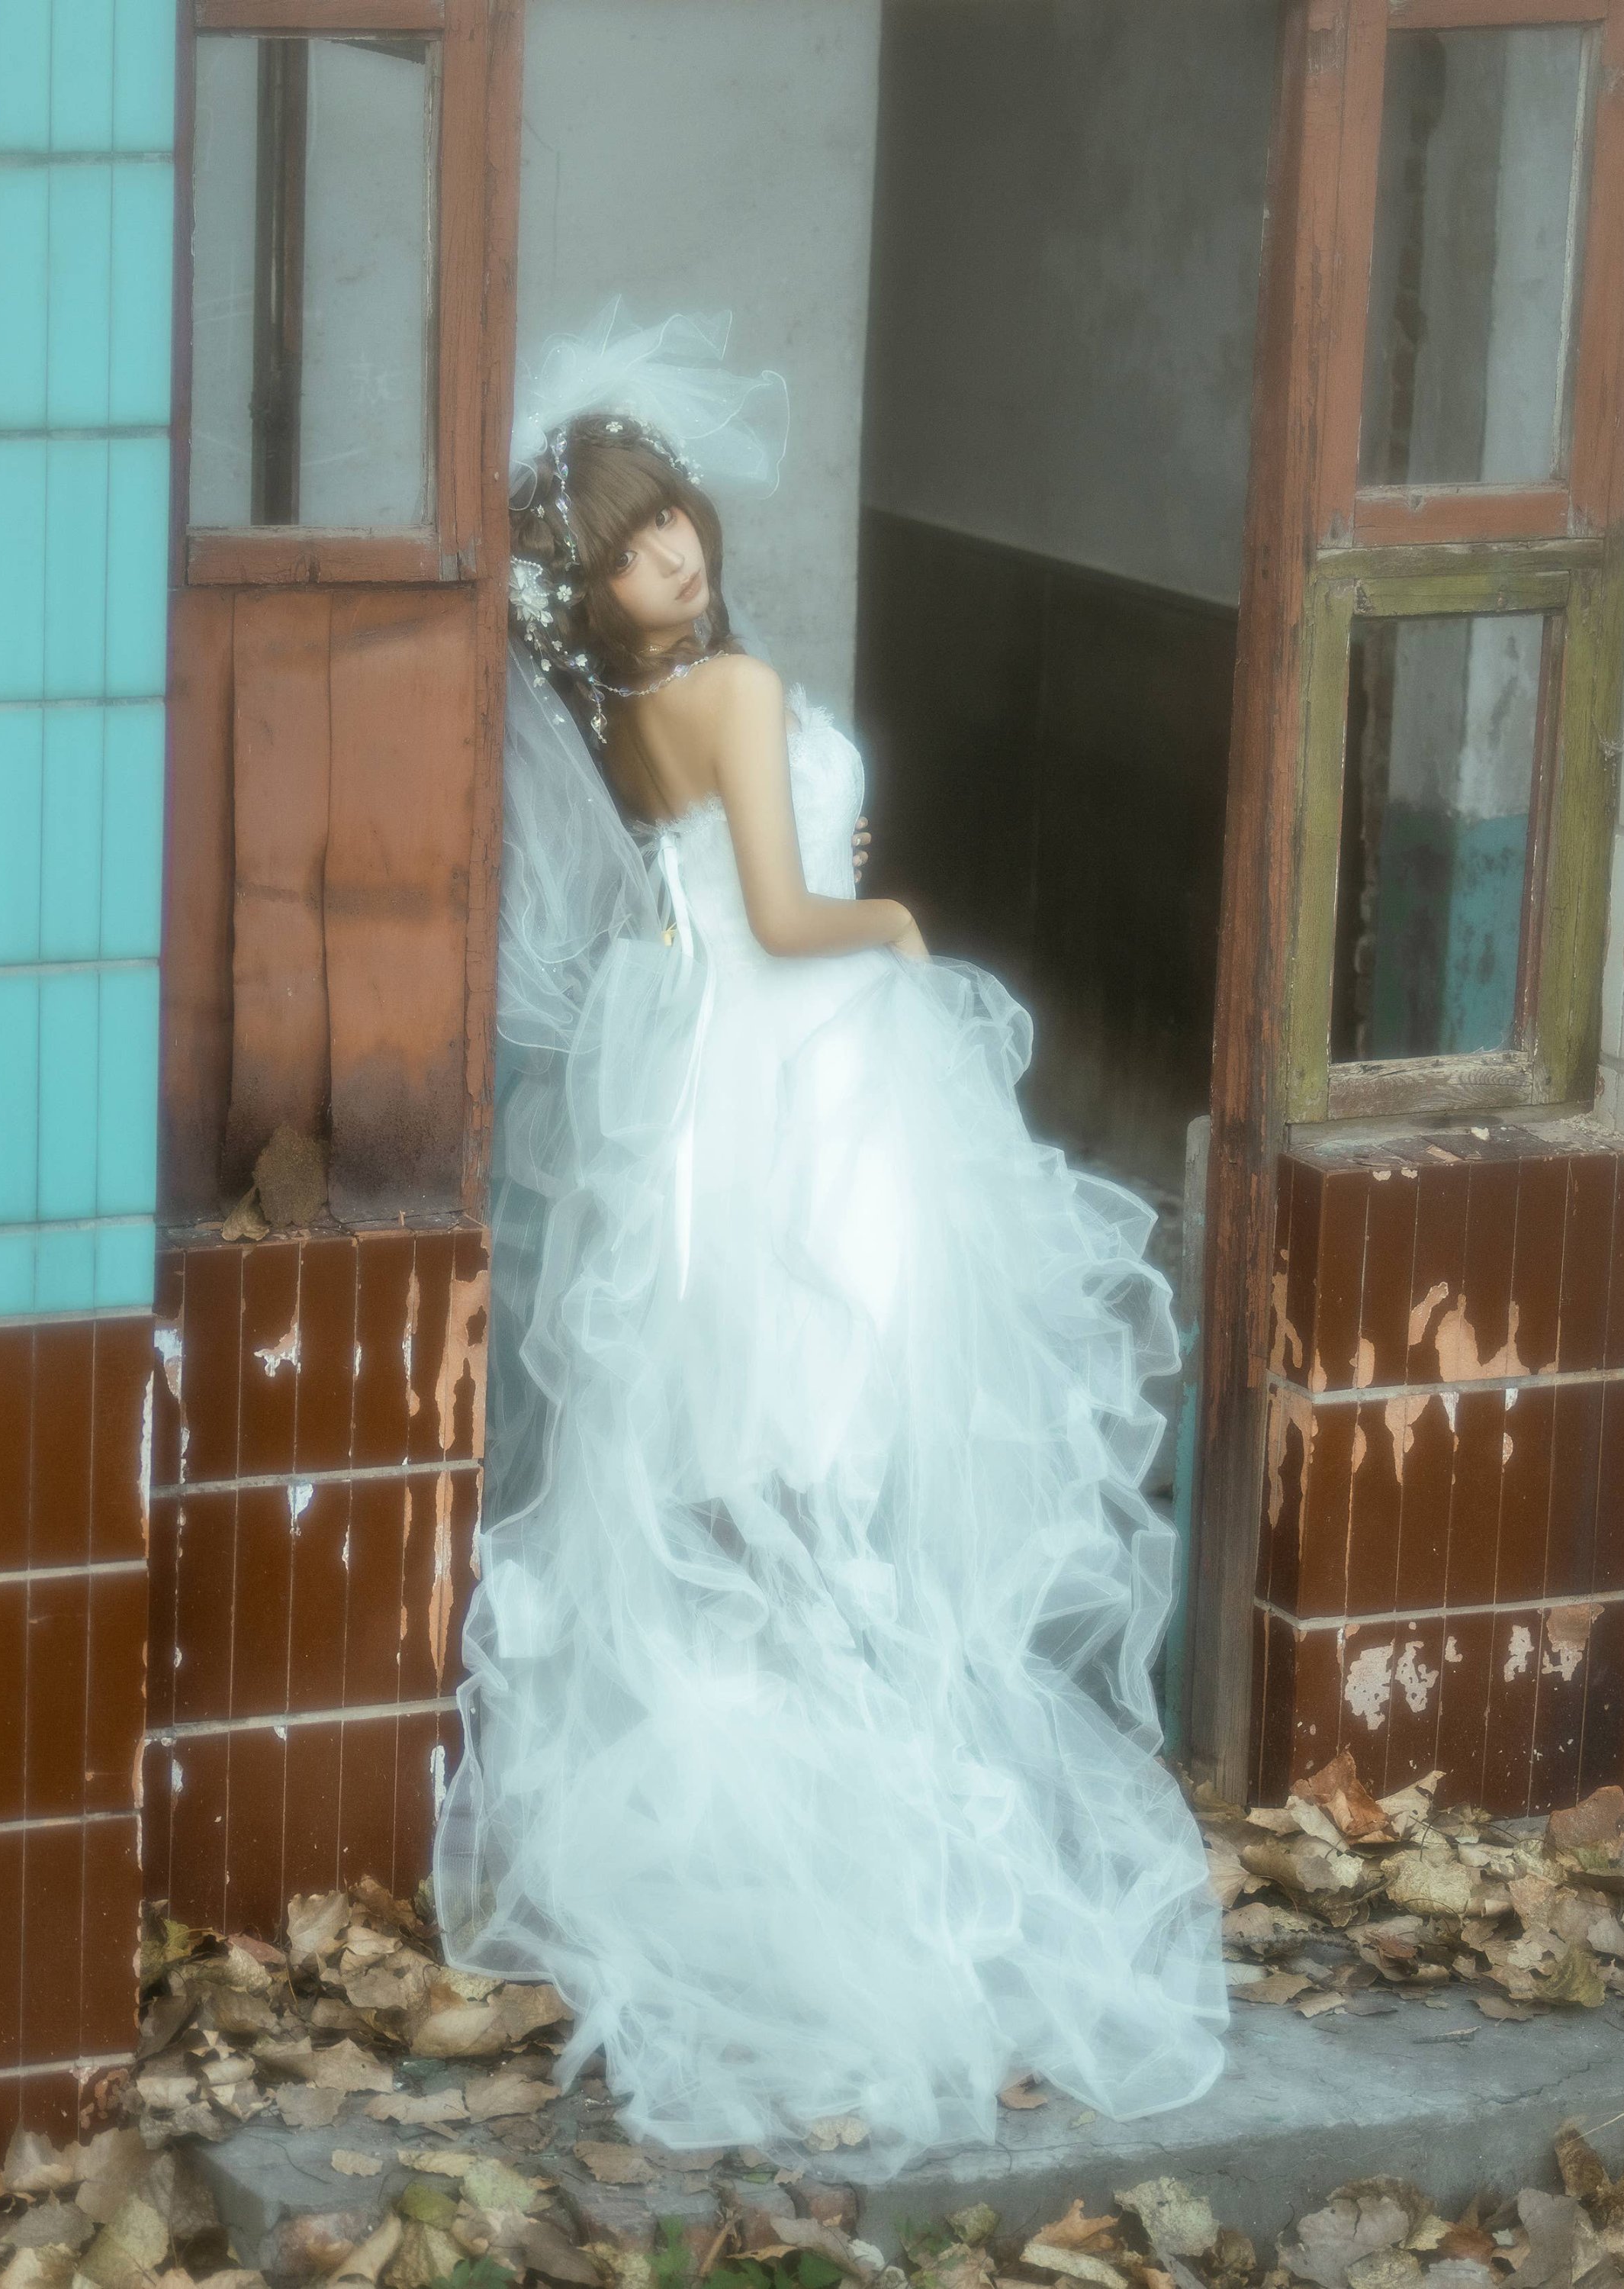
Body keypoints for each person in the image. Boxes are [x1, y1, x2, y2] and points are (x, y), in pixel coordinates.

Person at [433, 309, 1227, 2172]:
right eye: (629, 547)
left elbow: (699, 908)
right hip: (809, 1070)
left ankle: (794, 1743)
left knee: (757, 1426)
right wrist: (904, 932)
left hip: (723, 1092)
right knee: (845, 1401)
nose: (671, 555)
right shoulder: (730, 689)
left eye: (671, 520)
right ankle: (857, 1765)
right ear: (590, 589)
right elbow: (792, 920)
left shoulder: (633, 722)